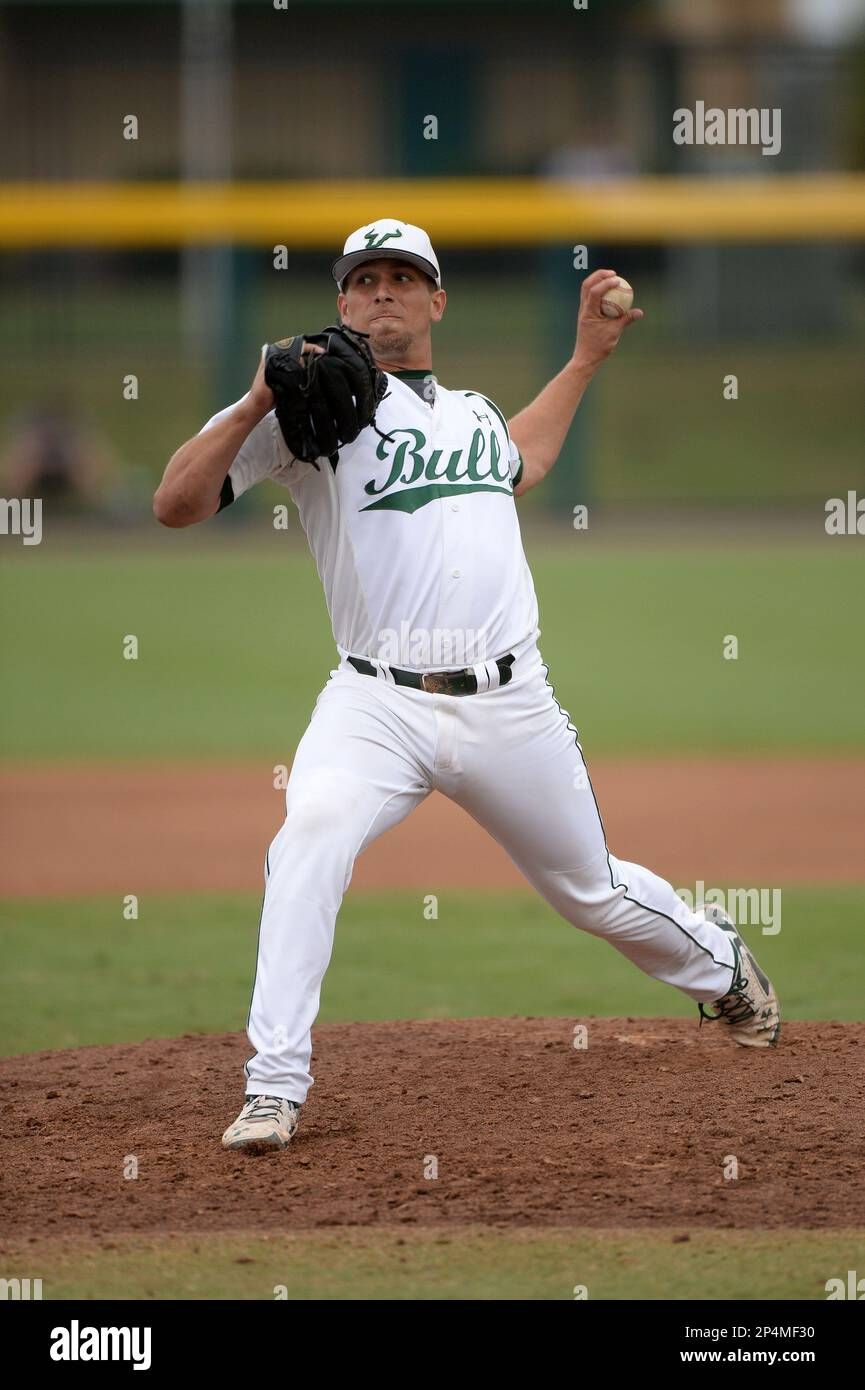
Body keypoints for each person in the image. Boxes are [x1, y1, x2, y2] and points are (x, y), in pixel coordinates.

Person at [154, 219, 780, 1155]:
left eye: (404, 278)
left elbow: (519, 462)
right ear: (341, 301)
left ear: (437, 299)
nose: (383, 294)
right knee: (310, 838)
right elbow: (174, 503)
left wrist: (581, 361)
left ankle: (723, 967)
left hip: (509, 704)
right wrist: (250, 405)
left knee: (590, 892)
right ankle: (274, 1088)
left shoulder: (473, 414)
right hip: (376, 703)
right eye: (364, 280)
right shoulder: (305, 409)